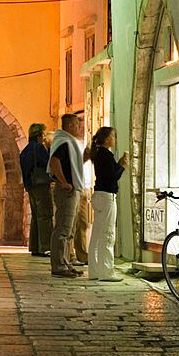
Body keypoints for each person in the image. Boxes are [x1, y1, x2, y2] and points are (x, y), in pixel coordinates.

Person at [87, 126, 129, 281]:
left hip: (99, 195)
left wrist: (117, 164)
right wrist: (123, 167)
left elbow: (108, 173)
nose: (115, 139)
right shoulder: (106, 154)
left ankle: (95, 271)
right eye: (113, 136)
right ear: (106, 138)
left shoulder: (99, 154)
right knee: (107, 234)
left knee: (97, 234)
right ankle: (106, 272)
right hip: (107, 197)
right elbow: (112, 177)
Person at [47, 113, 85, 278]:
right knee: (62, 228)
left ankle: (66, 263)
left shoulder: (67, 142)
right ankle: (59, 266)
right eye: (77, 124)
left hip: (70, 189)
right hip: (66, 191)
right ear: (69, 126)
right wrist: (64, 182)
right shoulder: (64, 142)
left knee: (68, 229)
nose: (79, 127)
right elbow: (54, 162)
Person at [19, 123, 53, 257]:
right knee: (45, 215)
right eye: (43, 135)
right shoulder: (39, 148)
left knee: (35, 216)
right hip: (41, 184)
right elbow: (48, 163)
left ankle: (34, 247)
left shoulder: (26, 150)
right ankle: (45, 247)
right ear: (39, 135)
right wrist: (50, 149)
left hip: (30, 186)